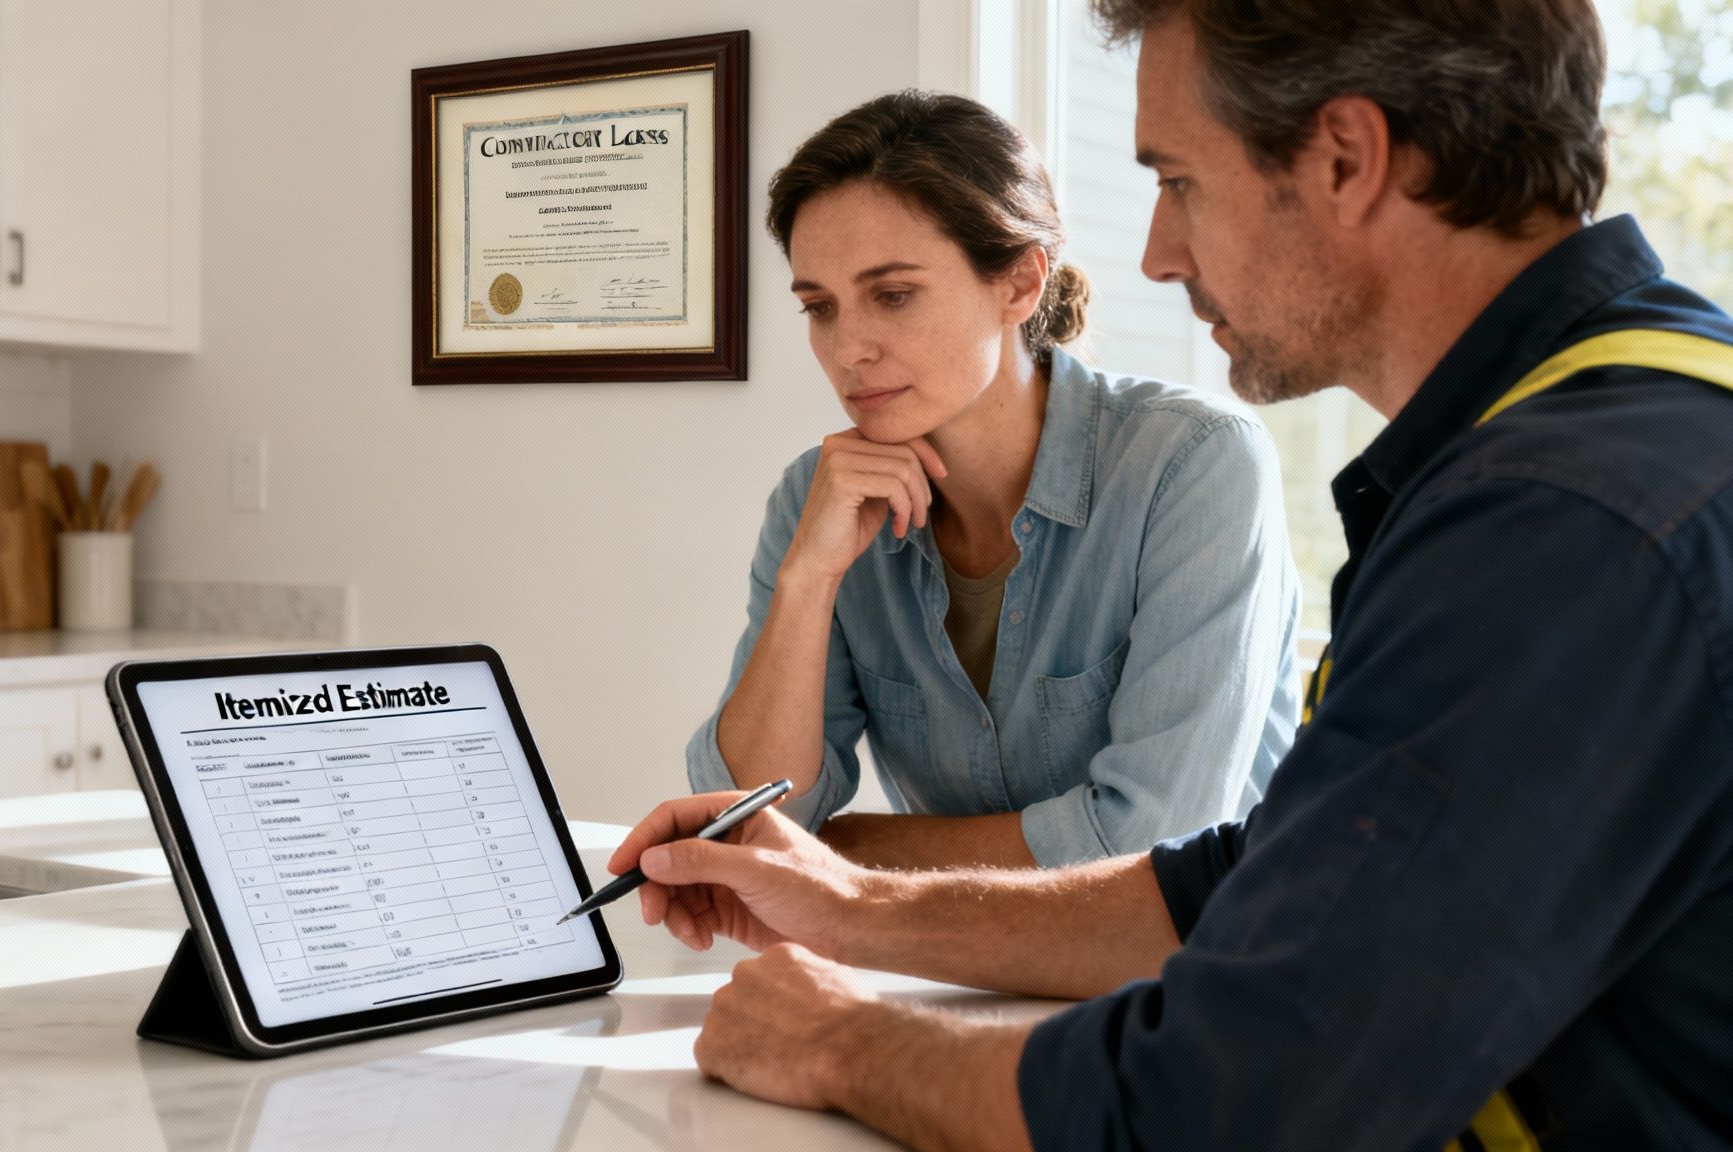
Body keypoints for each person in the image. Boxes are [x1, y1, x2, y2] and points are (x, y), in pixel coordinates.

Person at [621, 1, 1733, 1148]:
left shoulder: (1564, 521)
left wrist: (835, 1037)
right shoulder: (1601, 427)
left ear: (1345, 159)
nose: (1154, 251)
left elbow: (1239, 1094)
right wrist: (848, 904)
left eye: (1176, 179)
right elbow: (1256, 882)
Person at [686, 91, 1301, 871]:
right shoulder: (820, 497)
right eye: (820, 307)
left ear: (1019, 283)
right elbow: (748, 820)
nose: (849, 349)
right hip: (959, 976)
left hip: (1200, 975)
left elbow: (1145, 845)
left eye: (893, 295)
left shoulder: (1195, 464)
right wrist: (809, 578)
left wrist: (838, 850)